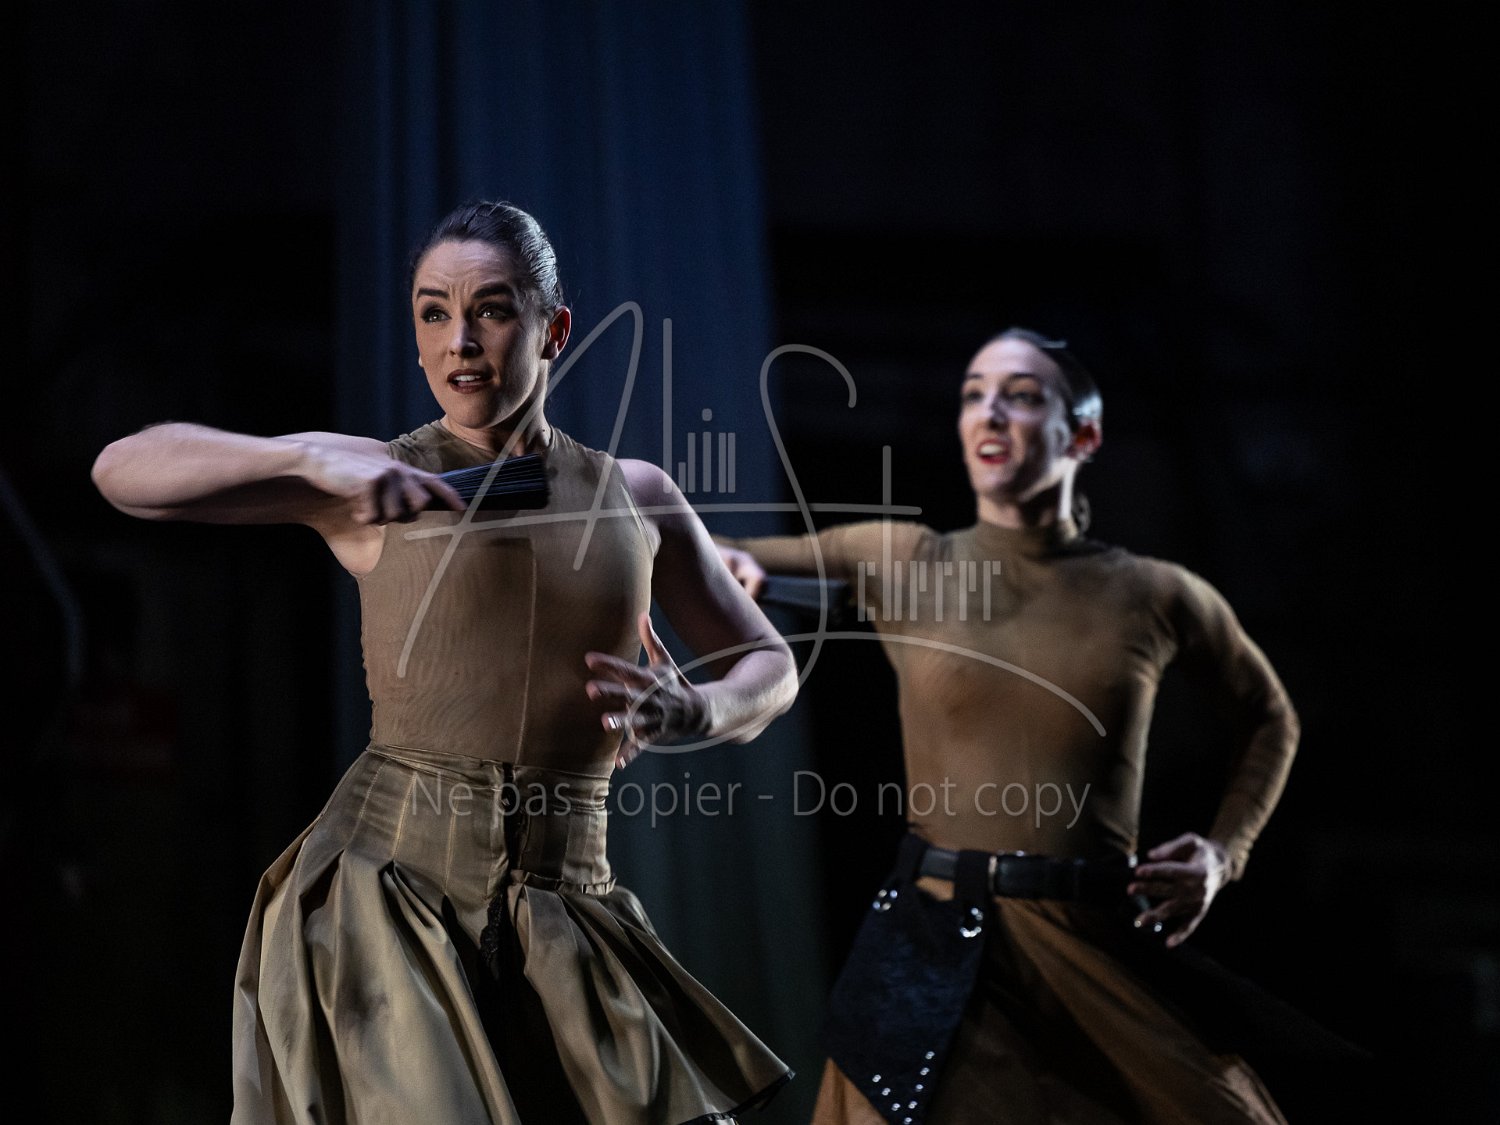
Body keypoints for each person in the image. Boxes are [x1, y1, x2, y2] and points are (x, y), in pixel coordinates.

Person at [92, 200, 799, 1125]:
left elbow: (770, 664)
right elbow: (123, 470)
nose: (460, 339)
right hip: (391, 896)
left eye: (491, 309)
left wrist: (698, 708)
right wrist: (311, 460)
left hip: (565, 901)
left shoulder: (637, 496)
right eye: (434, 313)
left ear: (553, 329)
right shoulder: (376, 477)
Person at [716, 329, 1302, 1123]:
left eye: (1021, 395)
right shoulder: (901, 557)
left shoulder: (1158, 592)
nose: (989, 412)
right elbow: (717, 550)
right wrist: (732, 568)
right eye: (973, 394)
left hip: (1093, 940)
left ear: (1083, 435)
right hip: (932, 942)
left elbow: (1270, 716)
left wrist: (1222, 854)